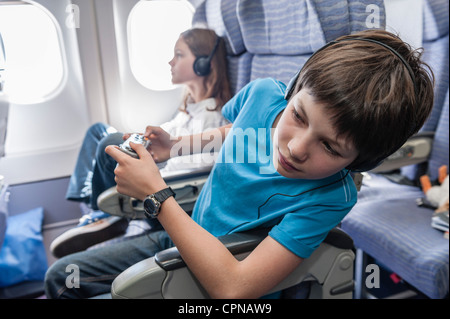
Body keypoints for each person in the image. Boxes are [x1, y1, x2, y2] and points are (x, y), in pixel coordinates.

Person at [45, 29, 434, 299]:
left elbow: (234, 289)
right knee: (61, 275)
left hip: (221, 265)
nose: (296, 147)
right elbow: (240, 131)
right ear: (294, 91)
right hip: (188, 230)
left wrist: (156, 196)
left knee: (66, 282)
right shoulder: (264, 95)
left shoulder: (332, 196)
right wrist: (175, 147)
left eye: (330, 148)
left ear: (360, 161)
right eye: (297, 116)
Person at [50, 28, 231, 258]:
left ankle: (104, 214)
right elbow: (167, 139)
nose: (170, 61)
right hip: (160, 169)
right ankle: (100, 212)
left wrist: (150, 165)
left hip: (168, 194)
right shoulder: (188, 110)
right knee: (98, 131)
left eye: (179, 55)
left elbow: (199, 173)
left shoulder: (211, 117)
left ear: (203, 64)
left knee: (111, 142)